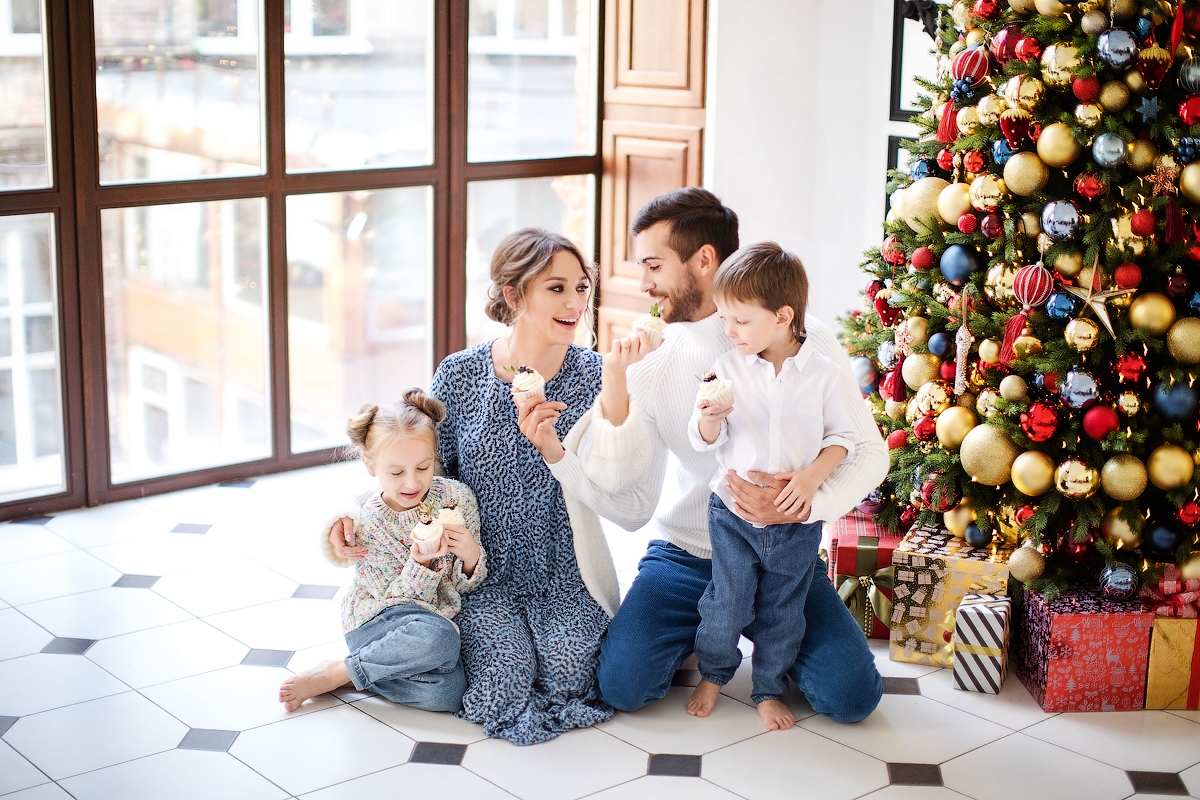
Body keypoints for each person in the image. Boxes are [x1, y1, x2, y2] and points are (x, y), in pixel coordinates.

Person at [533, 188, 888, 722]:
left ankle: (772, 635)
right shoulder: (653, 366)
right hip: (690, 552)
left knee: (853, 698)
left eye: (654, 265)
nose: (644, 283)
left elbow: (869, 455)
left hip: (783, 550)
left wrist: (799, 505)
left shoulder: (802, 339)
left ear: (704, 260)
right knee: (623, 685)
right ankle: (713, 631)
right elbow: (631, 501)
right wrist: (615, 388)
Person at [327, 228, 617, 745]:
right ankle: (354, 669)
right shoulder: (459, 375)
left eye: (581, 287)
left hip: (563, 569)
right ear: (513, 295)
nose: (575, 302)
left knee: (573, 675)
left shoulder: (597, 378)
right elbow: (419, 474)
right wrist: (349, 515)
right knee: (501, 685)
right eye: (556, 288)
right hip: (473, 573)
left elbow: (614, 481)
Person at [686, 243, 859, 730]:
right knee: (729, 602)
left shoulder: (823, 376)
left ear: (783, 316)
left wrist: (810, 478)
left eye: (740, 320)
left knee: (783, 611)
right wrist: (708, 418)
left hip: (795, 525)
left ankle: (767, 688)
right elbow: (702, 442)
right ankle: (715, 673)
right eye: (725, 318)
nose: (728, 330)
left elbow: (844, 439)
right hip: (733, 517)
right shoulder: (726, 368)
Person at [280, 389, 485, 713]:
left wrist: (471, 556)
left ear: (435, 455)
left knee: (450, 693)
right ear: (370, 465)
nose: (412, 483)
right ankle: (334, 671)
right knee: (441, 637)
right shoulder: (370, 523)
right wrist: (422, 563)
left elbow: (460, 588)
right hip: (376, 622)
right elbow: (396, 602)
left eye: (423, 467)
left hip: (431, 623)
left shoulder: (457, 498)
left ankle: (352, 676)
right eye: (396, 472)